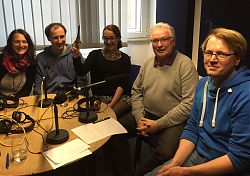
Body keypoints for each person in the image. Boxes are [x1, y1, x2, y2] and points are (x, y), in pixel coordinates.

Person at [146, 28, 250, 176]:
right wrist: (175, 163)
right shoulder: (203, 85)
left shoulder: (246, 95)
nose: (212, 59)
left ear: (237, 59)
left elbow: (239, 158)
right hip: (196, 155)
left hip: (226, 167)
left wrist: (188, 172)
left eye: (221, 54)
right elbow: (192, 128)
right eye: (208, 53)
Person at [110, 22, 199, 176]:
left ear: (173, 41)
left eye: (164, 40)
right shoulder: (148, 63)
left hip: (173, 120)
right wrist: (139, 118)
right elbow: (136, 91)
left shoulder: (185, 65)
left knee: (165, 153)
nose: (159, 45)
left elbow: (188, 105)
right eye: (155, 41)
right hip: (146, 114)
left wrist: (158, 124)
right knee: (115, 130)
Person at [72, 24, 131, 118]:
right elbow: (81, 72)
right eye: (105, 38)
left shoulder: (125, 59)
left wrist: (111, 105)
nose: (108, 41)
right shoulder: (94, 55)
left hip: (120, 98)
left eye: (112, 38)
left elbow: (122, 85)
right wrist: (76, 56)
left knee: (108, 117)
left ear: (118, 38)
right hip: (99, 97)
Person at [33, 23, 86, 95]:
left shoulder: (75, 54)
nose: (60, 41)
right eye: (55, 38)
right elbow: (37, 84)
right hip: (49, 98)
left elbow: (82, 81)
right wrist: (41, 100)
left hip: (71, 97)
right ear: (48, 38)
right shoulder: (41, 58)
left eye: (62, 37)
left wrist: (79, 96)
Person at [0, 29, 36, 97]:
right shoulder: (1, 59)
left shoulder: (31, 63)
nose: (21, 45)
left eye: (24, 42)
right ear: (10, 43)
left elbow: (27, 89)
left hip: (20, 101)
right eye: (17, 42)